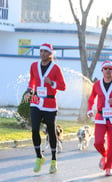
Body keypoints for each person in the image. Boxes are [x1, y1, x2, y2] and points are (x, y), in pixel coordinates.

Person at [24, 43, 66, 174]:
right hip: (36, 101)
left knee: (51, 131)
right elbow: (32, 80)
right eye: (41, 51)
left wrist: (51, 83)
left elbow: (62, 86)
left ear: (50, 54)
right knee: (35, 129)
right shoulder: (34, 66)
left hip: (49, 103)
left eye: (45, 52)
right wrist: (29, 91)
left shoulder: (55, 68)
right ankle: (39, 157)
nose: (42, 53)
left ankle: (53, 160)